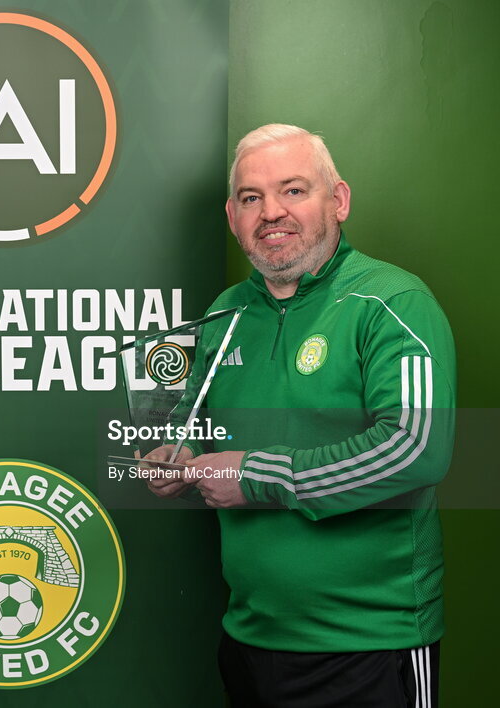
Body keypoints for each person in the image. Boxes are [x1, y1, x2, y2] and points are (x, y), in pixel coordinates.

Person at [145, 124, 456, 707]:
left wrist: (257, 477)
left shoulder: (392, 302)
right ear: (233, 216)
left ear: (337, 200)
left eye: (293, 190)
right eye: (251, 197)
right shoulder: (225, 313)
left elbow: (417, 448)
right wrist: (177, 458)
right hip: (249, 640)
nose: (271, 213)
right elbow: (191, 424)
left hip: (367, 647)